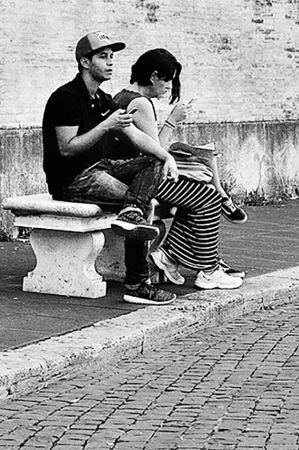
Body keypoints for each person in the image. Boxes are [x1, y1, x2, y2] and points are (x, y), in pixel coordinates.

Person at [41, 32, 235, 304]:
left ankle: (132, 214)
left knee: (151, 164)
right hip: (74, 179)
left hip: (101, 168)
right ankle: (136, 284)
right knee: (143, 204)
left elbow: (136, 135)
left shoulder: (102, 98)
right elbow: (66, 148)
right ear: (85, 62)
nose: (110, 63)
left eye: (112, 57)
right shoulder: (66, 98)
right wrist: (106, 126)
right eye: (102, 57)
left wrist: (164, 157)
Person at [105, 48, 247, 288]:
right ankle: (208, 269)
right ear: (153, 77)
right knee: (208, 197)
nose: (168, 87)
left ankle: (170, 256)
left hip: (127, 173)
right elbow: (156, 151)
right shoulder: (140, 103)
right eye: (167, 81)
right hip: (141, 180)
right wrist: (172, 120)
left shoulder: (122, 96)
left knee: (200, 195)